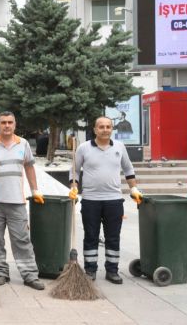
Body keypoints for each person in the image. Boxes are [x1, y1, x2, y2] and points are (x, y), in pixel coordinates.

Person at [0, 111, 46, 291]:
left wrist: (35, 189)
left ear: (15, 124)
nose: (7, 125)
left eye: (10, 122)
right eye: (3, 122)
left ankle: (29, 274)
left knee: (22, 239)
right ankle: (1, 273)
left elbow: (29, 167)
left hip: (17, 201)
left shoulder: (23, 144)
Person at [69, 116, 143, 284]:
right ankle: (90, 270)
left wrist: (133, 188)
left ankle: (112, 271)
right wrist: (74, 187)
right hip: (90, 200)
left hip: (114, 200)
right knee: (91, 236)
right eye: (101, 127)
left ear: (112, 129)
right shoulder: (83, 148)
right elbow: (74, 170)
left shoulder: (119, 147)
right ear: (95, 129)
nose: (105, 129)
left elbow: (128, 168)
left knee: (113, 237)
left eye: (108, 126)